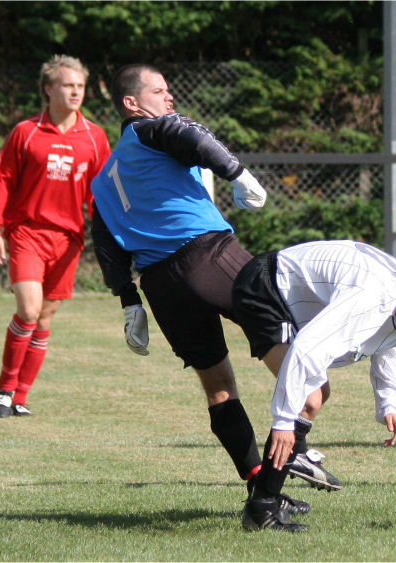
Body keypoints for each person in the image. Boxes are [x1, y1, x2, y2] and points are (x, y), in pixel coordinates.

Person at [90, 63, 335, 512]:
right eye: (159, 90)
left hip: (161, 286)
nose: (169, 98)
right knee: (311, 385)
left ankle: (261, 485)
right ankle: (296, 452)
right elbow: (191, 134)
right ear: (131, 103)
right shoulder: (150, 131)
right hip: (209, 256)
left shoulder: (104, 178)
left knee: (219, 388)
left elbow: (106, 242)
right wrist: (239, 173)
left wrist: (130, 304)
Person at [232, 240, 396, 531]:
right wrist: (282, 421)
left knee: (315, 397)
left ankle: (274, 483)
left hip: (283, 291)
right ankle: (263, 506)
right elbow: (306, 349)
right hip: (265, 287)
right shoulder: (371, 299)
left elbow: (385, 348)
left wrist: (391, 404)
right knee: (309, 399)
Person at [0, 54, 111, 418]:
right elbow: (2, 180)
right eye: (68, 85)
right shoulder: (26, 132)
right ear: (48, 89)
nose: (75, 92)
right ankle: (5, 389)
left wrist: (113, 235)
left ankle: (21, 396)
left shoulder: (95, 137)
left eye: (80, 86)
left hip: (69, 239)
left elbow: (100, 193)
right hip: (27, 232)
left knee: (44, 319)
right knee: (28, 309)